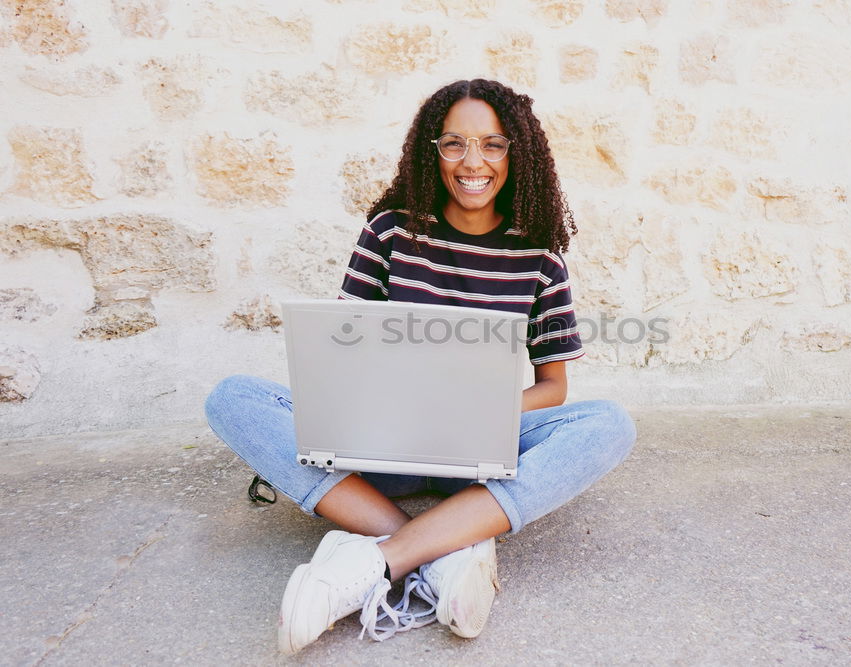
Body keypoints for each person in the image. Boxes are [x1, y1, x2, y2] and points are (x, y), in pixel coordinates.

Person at [204, 79, 637, 653]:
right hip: (385, 443)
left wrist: (478, 408)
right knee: (233, 397)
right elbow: (342, 354)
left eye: (493, 144)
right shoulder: (389, 232)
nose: (472, 162)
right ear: (432, 152)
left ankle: (380, 561)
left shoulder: (539, 260)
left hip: (483, 445)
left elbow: (553, 388)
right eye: (454, 143)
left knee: (608, 423)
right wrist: (385, 406)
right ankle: (446, 553)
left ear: (518, 154)